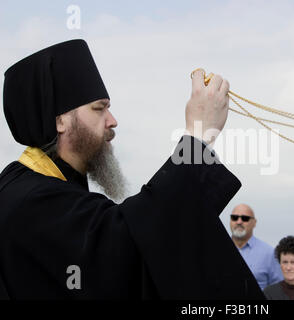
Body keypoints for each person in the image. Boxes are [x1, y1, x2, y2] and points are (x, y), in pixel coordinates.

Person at [0, 39, 265, 299]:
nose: (112, 121)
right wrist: (197, 137)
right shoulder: (27, 199)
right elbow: (127, 248)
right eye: (99, 109)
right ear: (60, 121)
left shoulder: (43, 186)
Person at [229, 204, 283, 290]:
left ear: (254, 223)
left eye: (245, 218)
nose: (239, 222)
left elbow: (279, 291)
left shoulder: (269, 254)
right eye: (234, 217)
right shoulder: (216, 252)